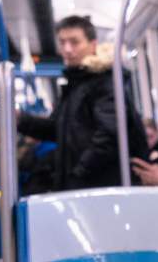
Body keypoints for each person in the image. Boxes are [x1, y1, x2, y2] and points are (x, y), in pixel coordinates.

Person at [17, 15, 147, 190]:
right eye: (62, 43)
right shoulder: (76, 84)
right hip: (85, 182)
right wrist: (21, 121)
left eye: (74, 42)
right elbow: (58, 129)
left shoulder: (104, 81)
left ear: (93, 45)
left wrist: (79, 173)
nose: (67, 49)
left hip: (100, 184)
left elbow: (109, 135)